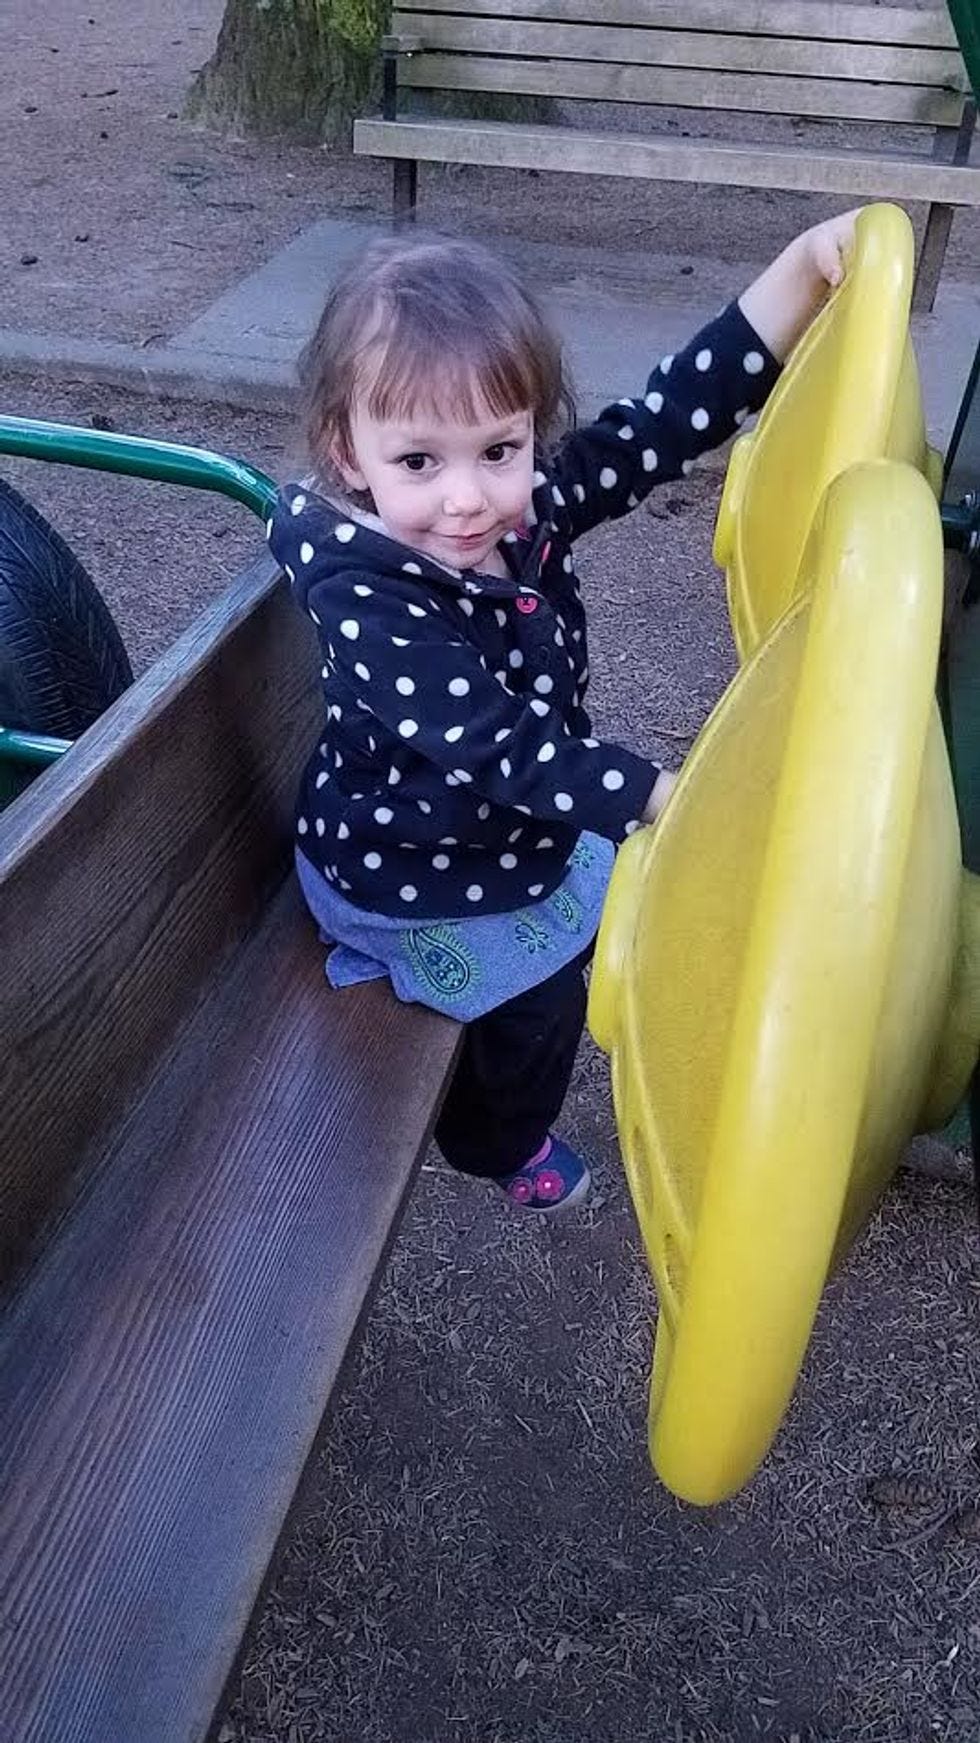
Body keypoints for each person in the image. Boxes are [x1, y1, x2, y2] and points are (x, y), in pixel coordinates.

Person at [268, 212, 856, 1212]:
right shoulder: (366, 595)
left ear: (528, 430)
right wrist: (666, 795)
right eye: (419, 462)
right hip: (406, 865)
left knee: (598, 917)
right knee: (541, 1003)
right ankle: (494, 1139)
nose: (468, 498)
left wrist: (799, 271)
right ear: (347, 452)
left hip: (493, 833)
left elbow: (659, 425)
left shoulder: (523, 503)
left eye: (498, 448)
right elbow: (504, 751)